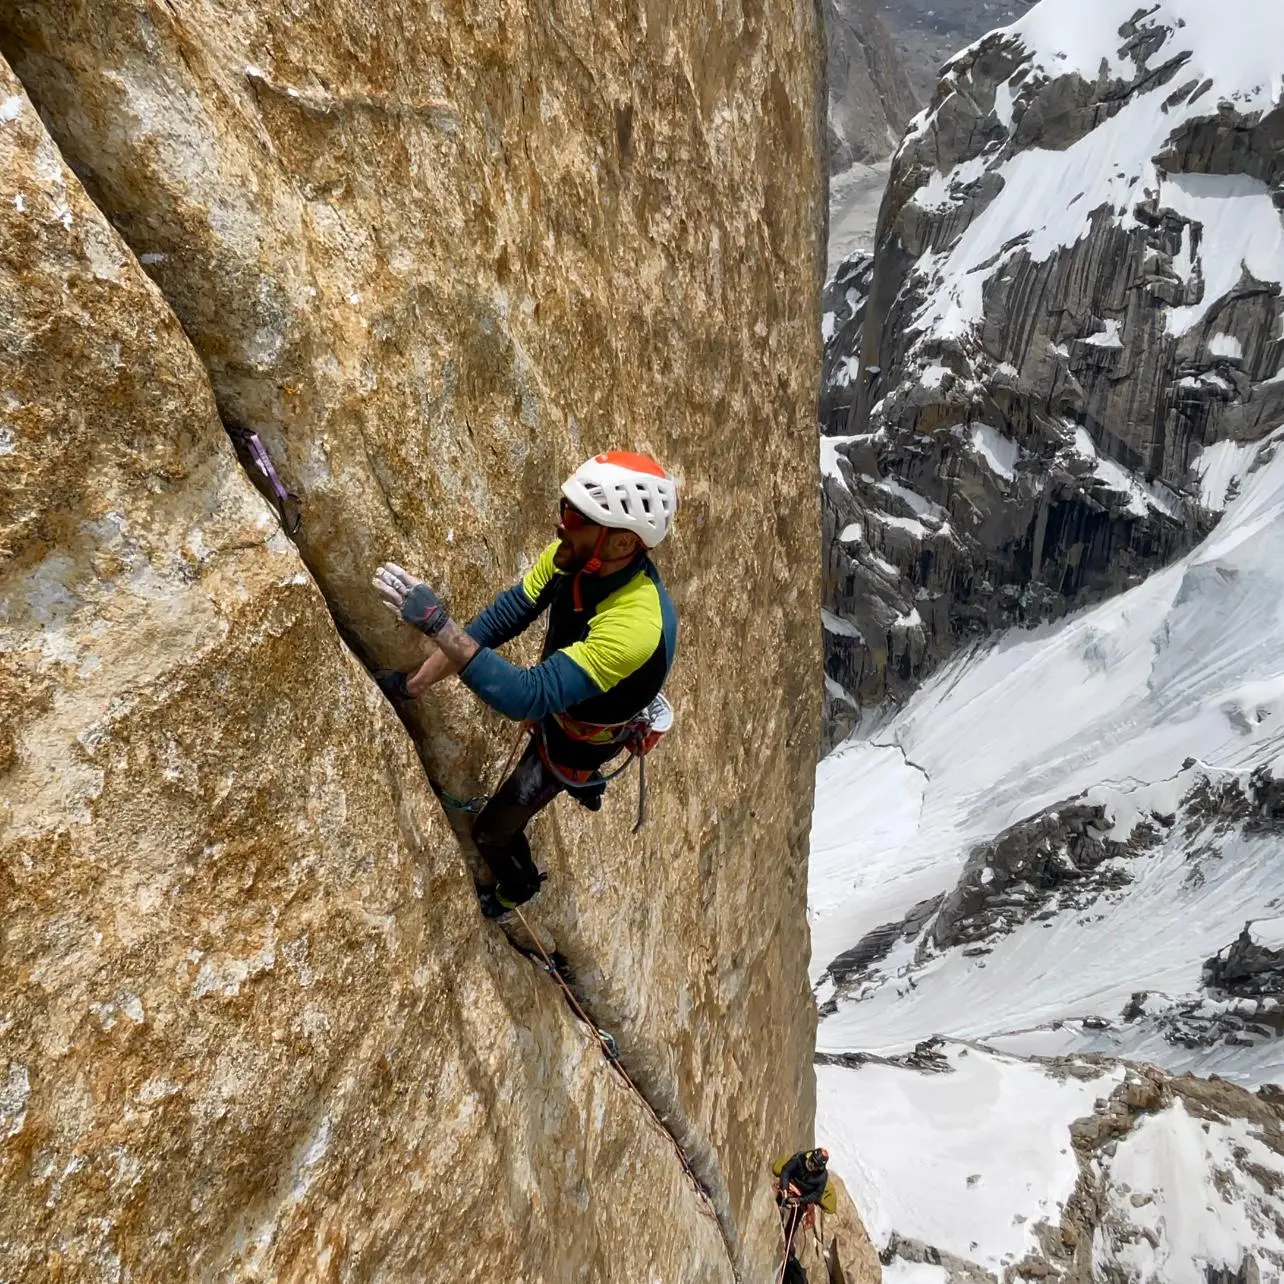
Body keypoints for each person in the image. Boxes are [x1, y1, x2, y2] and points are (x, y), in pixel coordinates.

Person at [372, 451, 678, 918]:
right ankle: (579, 787)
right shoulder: (571, 557)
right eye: (565, 508)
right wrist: (412, 686)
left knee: (490, 832)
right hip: (567, 708)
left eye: (577, 517)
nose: (561, 524)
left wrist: (437, 624)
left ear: (620, 545)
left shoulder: (636, 623)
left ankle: (518, 885)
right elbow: (498, 621)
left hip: (577, 743)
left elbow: (526, 696)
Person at [772, 1148, 836, 1261]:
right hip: (791, 1184)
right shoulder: (800, 1157)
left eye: (814, 1165)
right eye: (811, 1161)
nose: (810, 1165)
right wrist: (785, 1188)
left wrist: (800, 1200)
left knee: (794, 1220)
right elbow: (786, 1170)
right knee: (777, 1196)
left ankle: (787, 1240)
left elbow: (816, 1195)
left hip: (802, 1195)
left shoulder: (822, 1177)